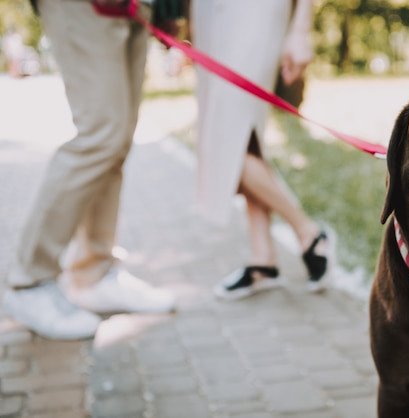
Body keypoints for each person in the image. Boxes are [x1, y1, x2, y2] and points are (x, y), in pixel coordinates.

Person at [2, 0, 177, 341]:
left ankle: (93, 271)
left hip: (141, 7)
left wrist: (170, 9)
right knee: (102, 134)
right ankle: (30, 280)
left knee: (118, 138)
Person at [191, 0, 331, 300]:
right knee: (242, 135)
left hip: (256, 10)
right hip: (207, 15)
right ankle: (263, 258)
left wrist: (300, 29)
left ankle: (308, 232)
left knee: (227, 137)